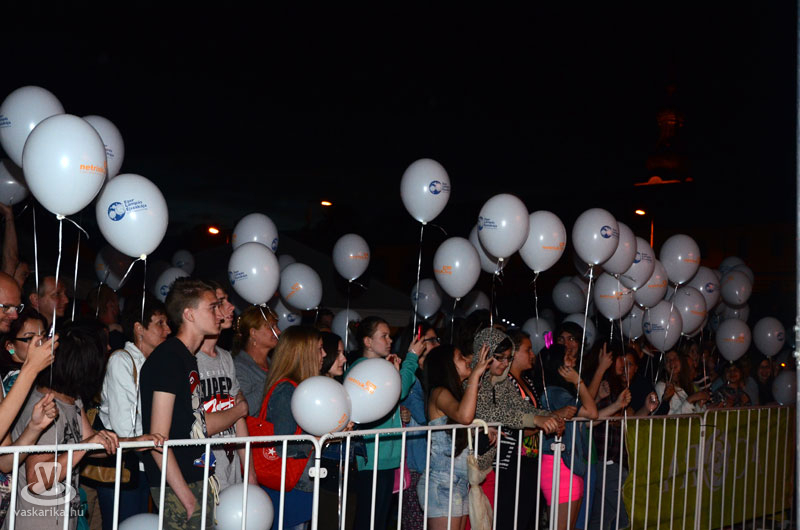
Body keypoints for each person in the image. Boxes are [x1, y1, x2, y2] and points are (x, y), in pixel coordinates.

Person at [6, 321, 162, 530]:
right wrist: (84, 446)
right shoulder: (46, 406)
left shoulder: (71, 399)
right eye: (102, 349)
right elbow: (37, 481)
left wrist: (135, 442)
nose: (108, 350)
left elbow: (93, 444)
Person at [140, 278, 248, 529]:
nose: (219, 314)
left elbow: (191, 422)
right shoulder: (169, 358)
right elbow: (157, 439)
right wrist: (187, 499)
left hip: (197, 475)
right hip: (179, 484)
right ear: (189, 314)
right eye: (212, 307)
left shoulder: (186, 357)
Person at [472, 327, 562, 530]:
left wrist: (551, 417)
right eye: (500, 358)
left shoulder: (501, 383)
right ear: (483, 354)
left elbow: (523, 408)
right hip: (476, 468)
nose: (505, 363)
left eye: (508, 358)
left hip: (490, 468)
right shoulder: (474, 381)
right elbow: (495, 413)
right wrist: (536, 419)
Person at [96, 295, 170, 528]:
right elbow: (124, 428)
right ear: (139, 328)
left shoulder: (158, 364)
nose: (168, 330)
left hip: (149, 465)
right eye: (160, 323)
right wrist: (160, 439)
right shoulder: (122, 360)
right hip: (124, 469)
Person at [347, 316, 423, 530]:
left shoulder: (381, 367)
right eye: (384, 336)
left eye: (390, 336)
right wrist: (412, 357)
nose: (390, 341)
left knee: (379, 518)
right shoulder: (362, 368)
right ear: (368, 342)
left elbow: (387, 399)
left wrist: (399, 412)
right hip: (372, 455)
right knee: (368, 519)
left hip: (387, 454)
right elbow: (399, 389)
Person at [258, 325, 325, 530]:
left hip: (297, 483)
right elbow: (284, 445)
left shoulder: (301, 389)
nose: (324, 354)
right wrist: (316, 439)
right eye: (319, 349)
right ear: (303, 354)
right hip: (288, 485)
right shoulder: (287, 390)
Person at [417, 343, 490, 530]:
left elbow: (463, 421)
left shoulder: (452, 393)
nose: (467, 360)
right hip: (443, 481)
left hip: (458, 480)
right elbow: (464, 416)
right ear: (447, 365)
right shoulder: (439, 392)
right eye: (460, 357)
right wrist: (475, 376)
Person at [195, 282, 258, 490]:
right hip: (202, 474)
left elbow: (240, 420)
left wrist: (250, 473)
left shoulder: (225, 357)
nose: (231, 307)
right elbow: (198, 425)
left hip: (231, 471)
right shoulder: (189, 358)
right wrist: (240, 408)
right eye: (221, 302)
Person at [538, 343, 598, 530]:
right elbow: (592, 412)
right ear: (558, 365)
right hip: (560, 466)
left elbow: (588, 415)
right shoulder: (555, 393)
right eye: (567, 358)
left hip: (566, 464)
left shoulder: (560, 392)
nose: (573, 361)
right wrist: (578, 381)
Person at [398, 322, 439, 530]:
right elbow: (426, 417)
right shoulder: (412, 379)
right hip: (417, 465)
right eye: (431, 340)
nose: (437, 344)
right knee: (415, 522)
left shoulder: (429, 375)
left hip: (431, 463)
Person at [232, 305, 281, 416]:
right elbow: (245, 408)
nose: (278, 331)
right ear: (253, 333)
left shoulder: (274, 363)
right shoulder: (239, 367)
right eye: (272, 327)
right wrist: (271, 380)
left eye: (276, 326)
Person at [1, 308, 48, 395]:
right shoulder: (17, 380)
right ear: (10, 346)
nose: (40, 343)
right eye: (30, 338)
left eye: (43, 336)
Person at [654, 350, 708, 415]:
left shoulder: (687, 385)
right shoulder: (662, 387)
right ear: (665, 366)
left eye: (675, 358)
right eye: (668, 360)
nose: (672, 362)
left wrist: (700, 404)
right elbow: (668, 418)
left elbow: (695, 415)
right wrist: (690, 400)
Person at [89, 285, 124, 351]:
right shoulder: (115, 336)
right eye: (117, 301)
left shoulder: (90, 333)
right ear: (111, 305)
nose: (119, 305)